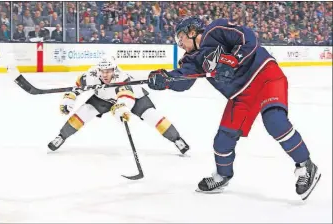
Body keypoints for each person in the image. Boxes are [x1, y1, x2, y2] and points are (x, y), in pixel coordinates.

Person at [146, 16, 321, 200]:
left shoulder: (215, 30)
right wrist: (165, 80)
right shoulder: (191, 60)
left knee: (274, 121)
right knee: (222, 140)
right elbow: (183, 81)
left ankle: (305, 165)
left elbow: (248, 38)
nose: (179, 43)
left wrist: (232, 60)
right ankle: (222, 176)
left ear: (192, 31)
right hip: (241, 95)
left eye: (180, 37)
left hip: (264, 74)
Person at [48, 57, 189, 155]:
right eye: (102, 71)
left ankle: (177, 139)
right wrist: (70, 97)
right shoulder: (91, 75)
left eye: (108, 71)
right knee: (83, 113)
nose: (105, 74)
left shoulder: (122, 78)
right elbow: (78, 86)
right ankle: (61, 136)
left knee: (152, 116)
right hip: (103, 97)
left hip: (134, 97)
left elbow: (126, 97)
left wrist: (121, 109)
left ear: (114, 70)